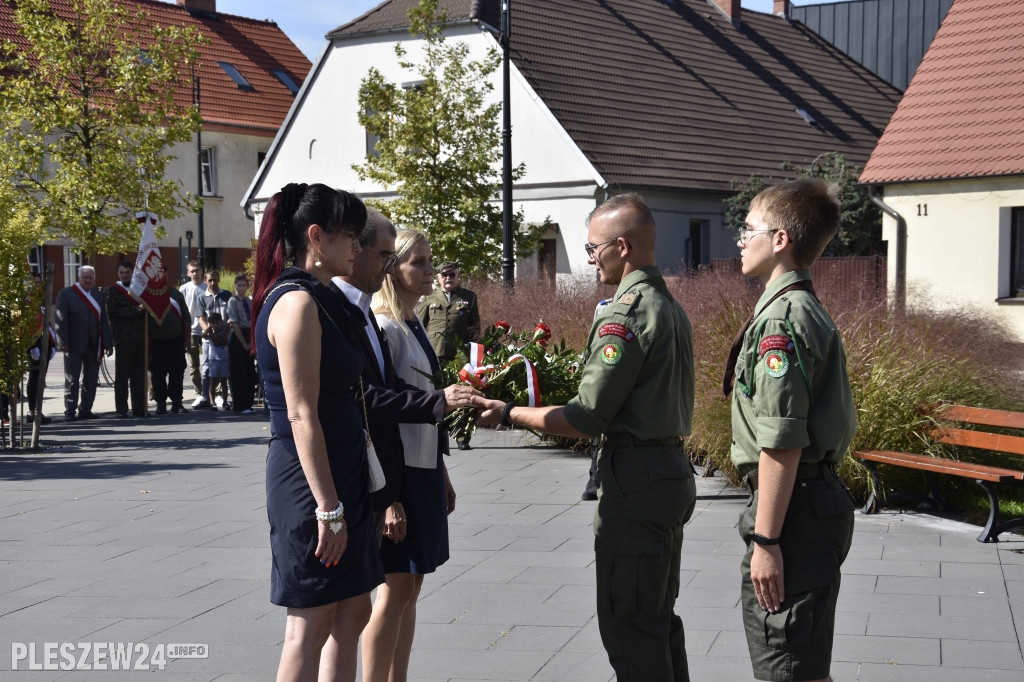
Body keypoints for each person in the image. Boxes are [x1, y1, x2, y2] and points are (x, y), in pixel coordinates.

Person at [475, 194, 696, 681]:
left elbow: (588, 416)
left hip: (636, 481)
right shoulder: (665, 303)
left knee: (631, 626)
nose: (591, 259)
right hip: (665, 473)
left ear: (623, 246)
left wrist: (511, 412)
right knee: (655, 620)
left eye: (594, 248)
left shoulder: (626, 314)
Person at [724, 178, 856, 682]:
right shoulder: (797, 308)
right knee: (802, 663)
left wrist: (766, 540)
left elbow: (782, 441)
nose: (740, 240)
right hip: (809, 507)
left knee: (788, 668)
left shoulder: (782, 320)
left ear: (780, 239)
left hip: (793, 512)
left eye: (748, 229)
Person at [252, 182, 382, 681]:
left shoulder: (321, 297)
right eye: (350, 235)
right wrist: (328, 508)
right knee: (310, 623)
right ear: (315, 237)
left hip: (341, 472)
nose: (357, 245)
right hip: (312, 484)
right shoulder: (296, 304)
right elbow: (301, 415)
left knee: (351, 613)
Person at [362, 229, 456, 682]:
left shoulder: (412, 322)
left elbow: (425, 405)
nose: (428, 270)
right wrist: (391, 497)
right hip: (399, 478)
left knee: (411, 588)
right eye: (417, 262)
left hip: (423, 471)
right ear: (393, 268)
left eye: (429, 261)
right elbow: (381, 415)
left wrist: (441, 471)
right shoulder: (384, 325)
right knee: (395, 591)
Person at [418, 261, 479, 449]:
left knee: (463, 395)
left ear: (458, 276)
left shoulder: (468, 297)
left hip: (460, 356)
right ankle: (438, 433)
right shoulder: (429, 296)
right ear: (438, 277)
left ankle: (462, 436)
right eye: (444, 275)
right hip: (436, 354)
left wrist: (474, 353)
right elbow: (419, 325)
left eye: (452, 274)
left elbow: (474, 328)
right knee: (437, 394)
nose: (448, 278)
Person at [53, 265, 113, 421]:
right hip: (73, 344)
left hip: (94, 344)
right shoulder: (66, 293)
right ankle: (70, 411)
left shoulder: (99, 296)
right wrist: (62, 341)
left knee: (91, 379)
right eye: (85, 277)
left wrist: (108, 342)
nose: (88, 280)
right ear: (78, 278)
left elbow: (104, 321)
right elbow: (60, 320)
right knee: (72, 379)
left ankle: (85, 409)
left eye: (91, 278)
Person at [106, 260, 148, 418]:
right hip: (123, 340)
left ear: (132, 272)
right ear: (118, 274)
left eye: (127, 272)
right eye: (122, 272)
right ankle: (122, 410)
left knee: (139, 376)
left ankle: (139, 408)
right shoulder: (114, 290)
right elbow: (114, 311)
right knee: (122, 377)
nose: (125, 275)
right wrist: (137, 310)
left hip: (140, 338)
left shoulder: (139, 290)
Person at [149, 271, 190, 415]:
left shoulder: (176, 295)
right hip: (155, 342)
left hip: (176, 341)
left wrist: (187, 339)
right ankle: (160, 403)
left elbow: (186, 319)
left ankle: (177, 402)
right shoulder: (150, 295)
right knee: (157, 374)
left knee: (177, 373)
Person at [192, 270, 231, 409]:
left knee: (227, 367)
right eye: (210, 280)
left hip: (225, 338)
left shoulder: (226, 295)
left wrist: (224, 335)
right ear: (205, 281)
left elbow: (231, 317)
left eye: (215, 279)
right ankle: (205, 397)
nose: (213, 283)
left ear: (219, 279)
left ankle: (227, 398)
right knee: (207, 369)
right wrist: (211, 334)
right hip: (209, 341)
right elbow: (201, 318)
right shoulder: (202, 298)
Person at [226, 274, 257, 414]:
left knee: (249, 371)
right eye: (239, 285)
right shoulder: (232, 301)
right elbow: (234, 323)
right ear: (235, 286)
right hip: (238, 337)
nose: (241, 288)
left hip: (249, 334)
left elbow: (253, 321)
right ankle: (239, 404)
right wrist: (244, 343)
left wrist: (251, 341)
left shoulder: (249, 302)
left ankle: (249, 403)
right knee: (238, 372)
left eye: (244, 285)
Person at [179, 261, 206, 398]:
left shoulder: (207, 287)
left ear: (201, 271)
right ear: (188, 273)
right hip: (191, 332)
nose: (195, 273)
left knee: (211, 363)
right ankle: (199, 392)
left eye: (197, 270)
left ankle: (214, 392)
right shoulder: (184, 289)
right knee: (193, 365)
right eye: (192, 271)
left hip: (206, 330)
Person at [203, 312, 230, 410]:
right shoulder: (210, 334)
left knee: (224, 381)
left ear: (221, 322)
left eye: (217, 322)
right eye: (213, 323)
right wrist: (209, 328)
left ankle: (225, 402)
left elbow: (228, 325)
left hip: (224, 359)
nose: (215, 325)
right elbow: (203, 334)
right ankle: (212, 402)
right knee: (212, 381)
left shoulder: (225, 331)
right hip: (213, 359)